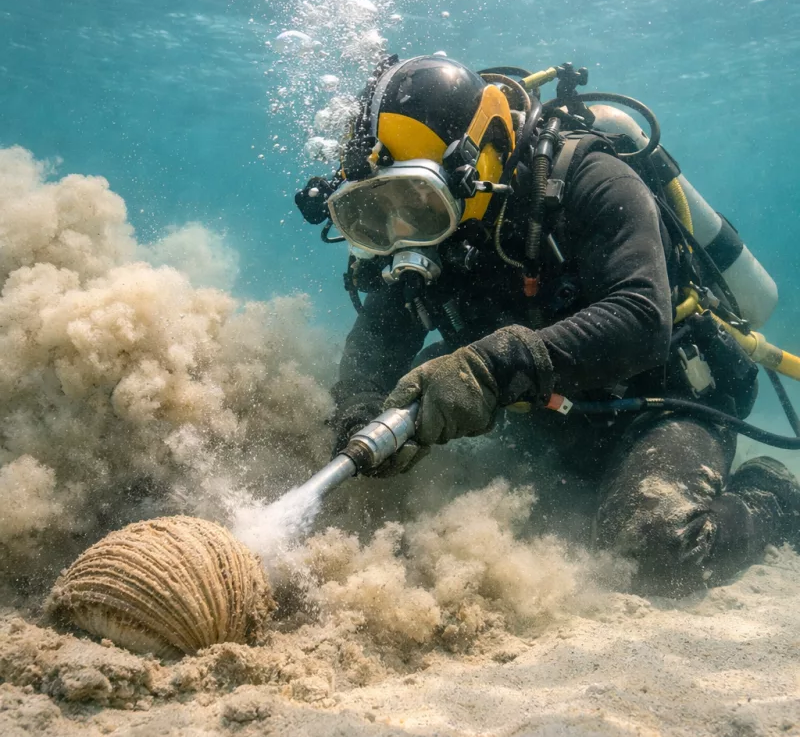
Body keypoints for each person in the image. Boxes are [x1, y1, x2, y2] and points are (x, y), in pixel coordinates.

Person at [296, 54, 800, 596]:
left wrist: (493, 369)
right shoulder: (421, 239)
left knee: (654, 546)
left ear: (474, 165)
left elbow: (640, 316)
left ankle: (772, 491)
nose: (402, 231)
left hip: (665, 399)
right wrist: (358, 407)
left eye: (418, 203)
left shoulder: (591, 177)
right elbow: (380, 334)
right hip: (551, 414)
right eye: (376, 211)